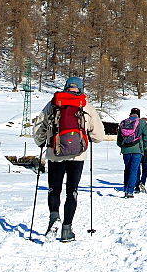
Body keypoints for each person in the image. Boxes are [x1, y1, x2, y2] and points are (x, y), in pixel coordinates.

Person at [32, 77, 104, 242]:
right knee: (72, 190)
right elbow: (99, 135)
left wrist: (42, 141)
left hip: (55, 153)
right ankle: (67, 229)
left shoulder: (54, 103)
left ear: (65, 88)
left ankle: (54, 216)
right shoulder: (85, 106)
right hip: (77, 155)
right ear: (80, 89)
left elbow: (39, 127)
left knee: (54, 189)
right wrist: (89, 136)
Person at [117, 107, 147, 198]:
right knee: (134, 170)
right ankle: (130, 191)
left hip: (126, 150)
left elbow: (119, 139)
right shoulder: (142, 123)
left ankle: (125, 188)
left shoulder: (123, 122)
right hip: (137, 150)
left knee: (127, 169)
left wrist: (123, 146)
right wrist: (143, 147)